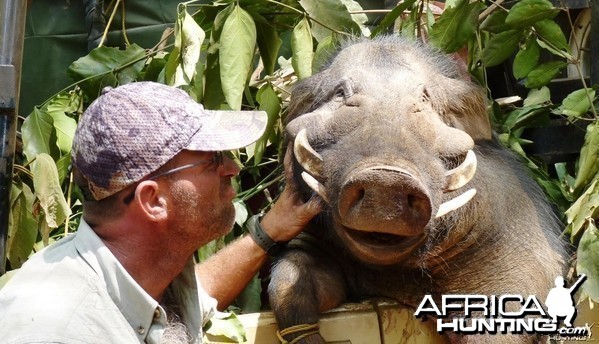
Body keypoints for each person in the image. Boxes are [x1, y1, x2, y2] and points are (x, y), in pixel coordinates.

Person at [0, 82, 321, 343]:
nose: (233, 168)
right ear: (153, 201)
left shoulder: (146, 275)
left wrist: (268, 232)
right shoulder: (57, 331)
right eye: (212, 159)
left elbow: (199, 291)